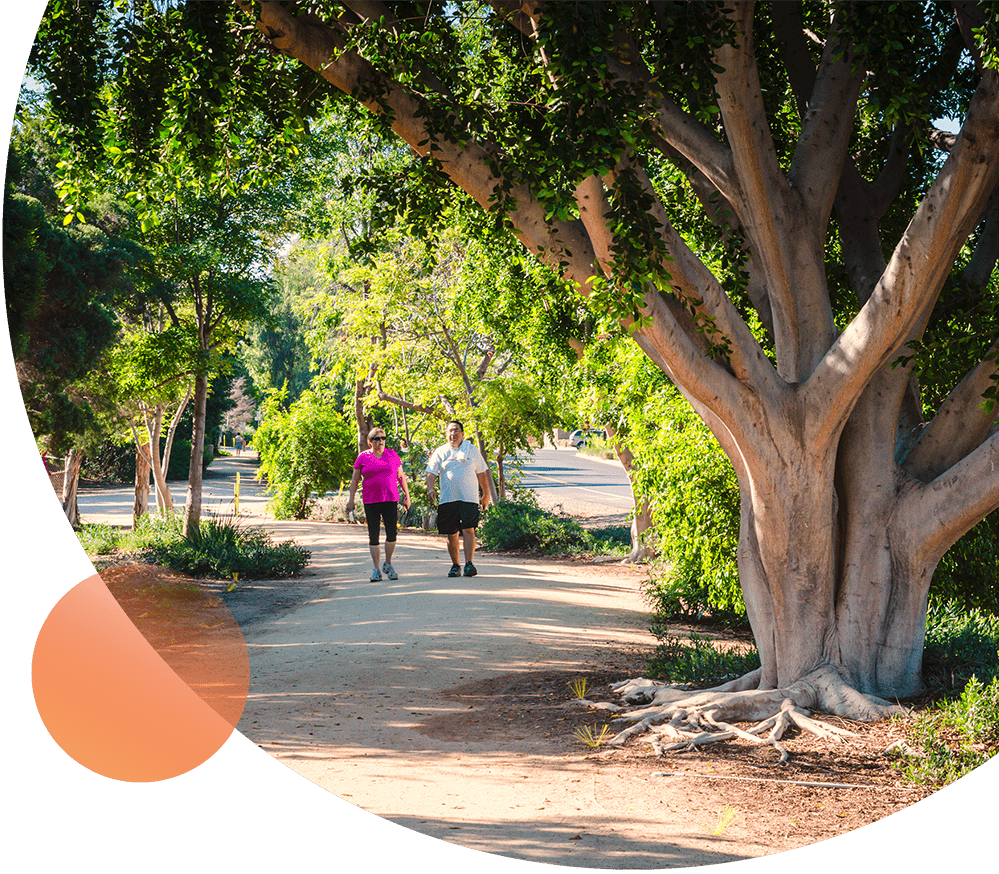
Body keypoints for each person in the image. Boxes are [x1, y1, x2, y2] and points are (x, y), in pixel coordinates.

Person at [425, 420, 490, 578]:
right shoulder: (440, 452)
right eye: (450, 431)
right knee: (451, 533)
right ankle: (455, 565)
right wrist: (430, 488)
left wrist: (486, 494)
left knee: (469, 529)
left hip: (469, 497)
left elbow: (482, 474)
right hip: (448, 499)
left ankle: (469, 564)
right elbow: (431, 473)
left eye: (456, 431)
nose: (453, 434)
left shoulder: (472, 450)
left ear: (462, 433)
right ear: (446, 434)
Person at [346, 428, 411, 581]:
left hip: (390, 499)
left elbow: (401, 477)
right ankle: (376, 569)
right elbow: (354, 480)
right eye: (376, 438)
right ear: (370, 442)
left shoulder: (392, 455)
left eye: (382, 438)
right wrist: (351, 500)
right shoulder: (363, 457)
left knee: (392, 534)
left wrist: (407, 497)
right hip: (371, 500)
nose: (380, 441)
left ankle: (388, 563)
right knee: (373, 535)